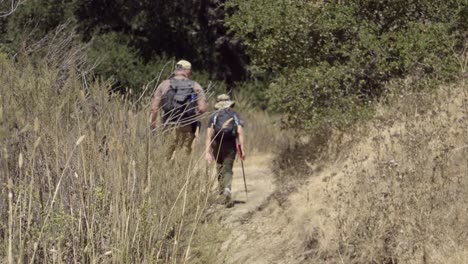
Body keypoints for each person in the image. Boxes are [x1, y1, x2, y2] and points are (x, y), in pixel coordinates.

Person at [150, 60, 207, 155]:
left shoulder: (164, 85)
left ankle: (167, 169)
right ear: (187, 71)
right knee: (183, 154)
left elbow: (154, 108)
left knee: (167, 153)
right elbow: (202, 109)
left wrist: (153, 124)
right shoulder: (195, 86)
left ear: (176, 70)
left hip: (168, 125)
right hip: (187, 125)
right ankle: (181, 169)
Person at [205, 94, 245, 207]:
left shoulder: (214, 116)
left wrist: (208, 151)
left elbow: (209, 135)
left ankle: (221, 192)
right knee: (228, 168)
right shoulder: (234, 114)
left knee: (219, 167)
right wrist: (242, 148)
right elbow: (240, 131)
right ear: (229, 103)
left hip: (217, 144)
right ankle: (227, 189)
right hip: (230, 144)